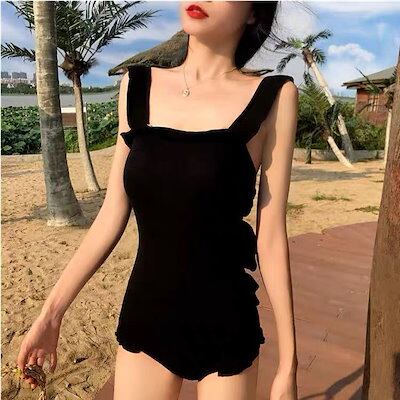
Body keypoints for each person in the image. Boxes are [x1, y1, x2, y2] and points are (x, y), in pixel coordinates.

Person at [17, 1, 299, 399]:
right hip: (148, 314)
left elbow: (270, 238)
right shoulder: (137, 85)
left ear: (254, 12)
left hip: (226, 320)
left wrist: (288, 364)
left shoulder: (275, 96)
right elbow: (111, 215)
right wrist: (51, 315)